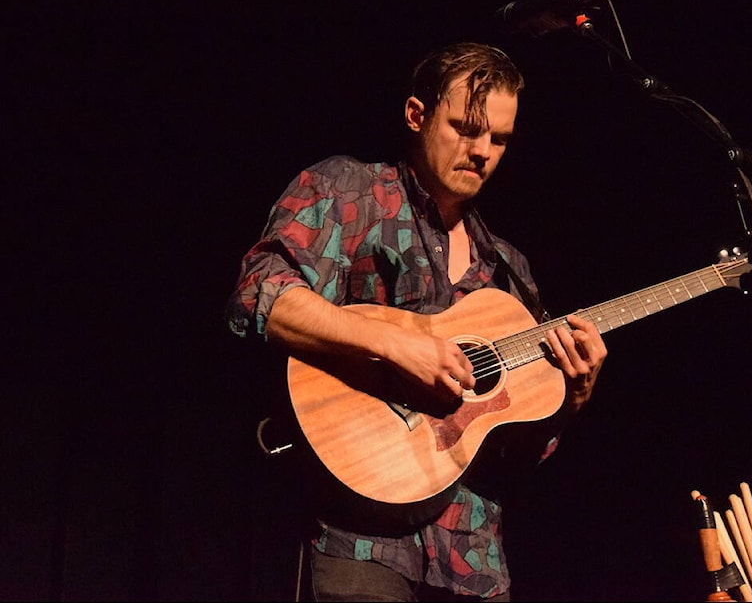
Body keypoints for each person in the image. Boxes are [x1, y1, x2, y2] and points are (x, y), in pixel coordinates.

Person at [226, 41, 607, 602]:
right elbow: (260, 291)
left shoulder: (509, 271)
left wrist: (572, 399)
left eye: (498, 139)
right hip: (357, 538)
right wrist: (397, 343)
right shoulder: (349, 191)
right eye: (465, 128)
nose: (481, 151)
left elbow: (516, 444)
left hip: (471, 554)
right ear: (416, 115)